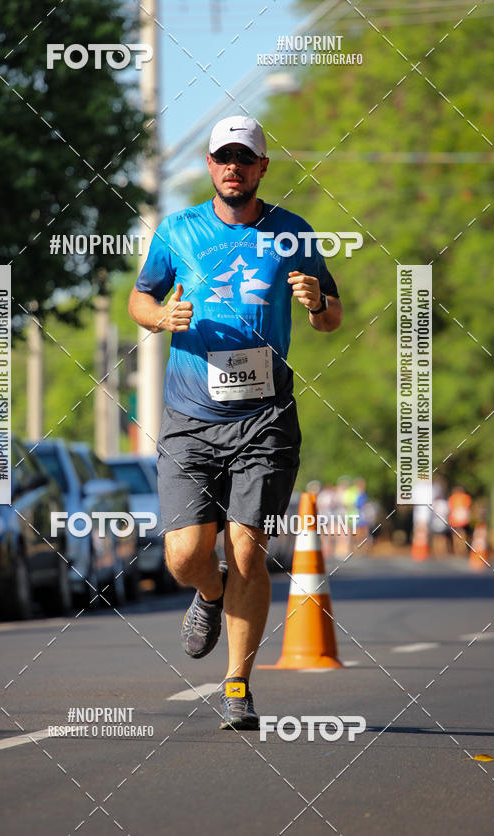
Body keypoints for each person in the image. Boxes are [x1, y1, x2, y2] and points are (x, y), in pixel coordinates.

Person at [128, 116, 342, 730]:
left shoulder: (293, 234)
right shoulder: (179, 230)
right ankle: (208, 593)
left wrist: (318, 304)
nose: (233, 168)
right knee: (185, 555)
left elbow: (332, 317)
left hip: (266, 419)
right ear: (209, 164)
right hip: (190, 418)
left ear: (262, 168)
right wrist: (159, 317)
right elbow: (140, 298)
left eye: (244, 159)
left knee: (248, 551)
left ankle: (236, 684)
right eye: (223, 157)